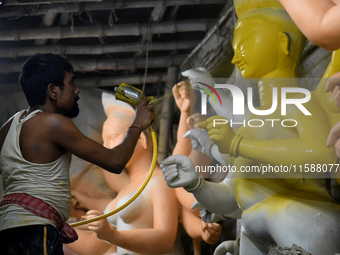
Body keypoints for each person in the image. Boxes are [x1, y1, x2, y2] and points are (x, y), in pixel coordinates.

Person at [161, 0, 340, 254]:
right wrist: (196, 185)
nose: (236, 56)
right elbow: (236, 196)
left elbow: (321, 155)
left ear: (283, 42)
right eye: (235, 48)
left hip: (301, 218)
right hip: (254, 225)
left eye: (245, 42)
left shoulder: (299, 103)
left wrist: (238, 145)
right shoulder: (251, 123)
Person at [0, 53, 154, 255]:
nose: (77, 89)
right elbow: (116, 162)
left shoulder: (8, 126)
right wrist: (137, 124)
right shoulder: (53, 123)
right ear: (52, 91)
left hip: (8, 230)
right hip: (35, 231)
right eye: (71, 83)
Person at [66, 92, 178, 255]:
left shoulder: (159, 180)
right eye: (104, 140)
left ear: (142, 139)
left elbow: (166, 240)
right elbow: (90, 248)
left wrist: (112, 235)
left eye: (112, 137)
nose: (107, 146)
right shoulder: (126, 191)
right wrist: (56, 224)